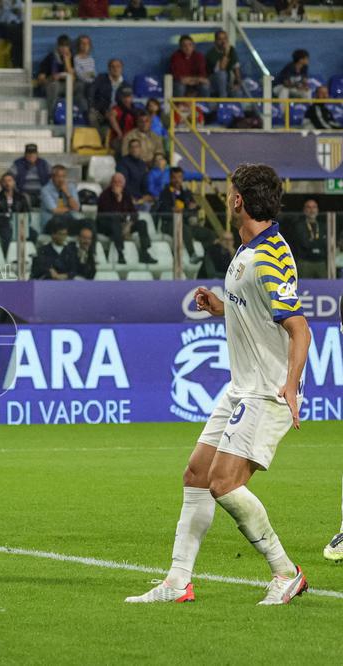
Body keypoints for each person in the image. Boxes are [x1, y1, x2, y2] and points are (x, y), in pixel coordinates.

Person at [126, 163, 311, 606]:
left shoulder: (269, 257)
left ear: (238, 200)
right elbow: (259, 313)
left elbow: (300, 329)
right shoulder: (249, 248)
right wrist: (222, 309)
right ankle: (177, 581)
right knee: (196, 474)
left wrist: (291, 384)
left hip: (266, 392)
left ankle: (286, 573)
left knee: (223, 483)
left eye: (230, 193)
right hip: (240, 387)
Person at [155, 167, 214, 261]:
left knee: (210, 234)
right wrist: (172, 209)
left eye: (179, 177)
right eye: (174, 177)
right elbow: (161, 211)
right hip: (170, 224)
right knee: (184, 228)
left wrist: (193, 207)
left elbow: (194, 208)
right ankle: (192, 255)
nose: (177, 180)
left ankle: (207, 257)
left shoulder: (186, 193)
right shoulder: (165, 193)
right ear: (170, 178)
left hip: (186, 224)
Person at [96, 173, 155, 264]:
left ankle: (145, 252)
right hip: (106, 225)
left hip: (123, 225)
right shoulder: (104, 195)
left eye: (120, 182)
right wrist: (118, 199)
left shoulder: (126, 195)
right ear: (111, 183)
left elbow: (134, 213)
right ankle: (120, 254)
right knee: (115, 221)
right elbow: (109, 214)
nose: (117, 184)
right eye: (115, 182)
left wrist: (129, 225)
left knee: (142, 223)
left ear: (124, 184)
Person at [282, 198, 325, 278]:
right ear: (304, 210)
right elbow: (300, 243)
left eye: (314, 207)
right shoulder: (298, 226)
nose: (312, 210)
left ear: (318, 209)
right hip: (305, 262)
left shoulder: (323, 226)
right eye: (309, 207)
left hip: (320, 262)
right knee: (304, 286)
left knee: (324, 287)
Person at [87, 58, 126, 143]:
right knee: (92, 115)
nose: (115, 69)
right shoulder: (101, 79)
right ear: (109, 69)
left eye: (118, 66)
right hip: (101, 110)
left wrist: (115, 111)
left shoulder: (125, 85)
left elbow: (126, 103)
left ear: (122, 68)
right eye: (113, 67)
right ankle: (98, 140)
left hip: (116, 113)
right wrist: (103, 111)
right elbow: (91, 93)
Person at [36, 34, 73, 119]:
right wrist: (51, 78)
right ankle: (51, 116)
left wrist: (67, 61)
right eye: (62, 46)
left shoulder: (72, 58)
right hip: (51, 85)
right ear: (58, 46)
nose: (64, 49)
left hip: (67, 86)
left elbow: (72, 78)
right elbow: (40, 80)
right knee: (54, 85)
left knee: (80, 86)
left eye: (66, 46)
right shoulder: (50, 58)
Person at [40, 165, 85, 234]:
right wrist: (70, 208)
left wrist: (67, 193)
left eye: (63, 176)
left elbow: (76, 208)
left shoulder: (71, 187)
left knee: (87, 223)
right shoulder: (45, 190)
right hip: (51, 222)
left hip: (68, 220)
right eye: (58, 176)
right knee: (61, 220)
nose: (61, 179)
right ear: (52, 177)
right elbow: (55, 211)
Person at [0, 172, 32, 248]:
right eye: (5, 181)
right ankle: (6, 256)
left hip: (19, 224)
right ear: (2, 183)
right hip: (4, 226)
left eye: (9, 180)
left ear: (14, 182)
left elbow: (27, 215)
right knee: (7, 234)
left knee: (33, 233)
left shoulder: (21, 198)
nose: (7, 183)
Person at [170, 35, 210, 99]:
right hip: (181, 83)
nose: (187, 48)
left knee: (205, 86)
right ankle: (179, 107)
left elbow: (202, 75)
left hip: (195, 83)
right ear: (180, 47)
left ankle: (204, 107)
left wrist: (192, 80)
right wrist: (196, 79)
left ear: (193, 46)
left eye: (190, 45)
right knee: (180, 87)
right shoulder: (175, 57)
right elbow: (177, 77)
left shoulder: (199, 56)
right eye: (184, 46)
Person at [206, 30, 242, 99]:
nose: (223, 42)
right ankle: (223, 101)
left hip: (226, 84)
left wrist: (237, 84)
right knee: (222, 74)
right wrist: (226, 53)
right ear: (215, 41)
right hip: (212, 84)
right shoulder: (211, 54)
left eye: (225, 39)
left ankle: (236, 109)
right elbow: (221, 68)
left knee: (238, 92)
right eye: (220, 39)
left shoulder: (231, 50)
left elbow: (236, 68)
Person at [116, 140, 153, 208]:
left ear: (140, 149)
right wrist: (131, 198)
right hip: (128, 198)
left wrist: (147, 195)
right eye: (132, 147)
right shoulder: (123, 163)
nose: (134, 149)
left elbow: (144, 183)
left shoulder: (142, 164)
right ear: (129, 150)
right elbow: (123, 184)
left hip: (140, 198)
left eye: (137, 147)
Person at [108, 86, 138, 154]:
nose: (126, 99)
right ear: (121, 98)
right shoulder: (116, 109)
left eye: (128, 97)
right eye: (124, 97)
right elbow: (112, 118)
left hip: (132, 137)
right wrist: (119, 132)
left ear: (132, 98)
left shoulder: (135, 110)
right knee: (126, 146)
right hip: (118, 139)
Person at [72, 35, 96, 113]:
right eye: (83, 43)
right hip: (80, 83)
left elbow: (93, 74)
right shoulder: (76, 58)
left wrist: (89, 75)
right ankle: (88, 111)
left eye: (87, 43)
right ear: (79, 45)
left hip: (90, 83)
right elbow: (79, 74)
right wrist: (88, 75)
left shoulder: (91, 59)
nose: (85, 46)